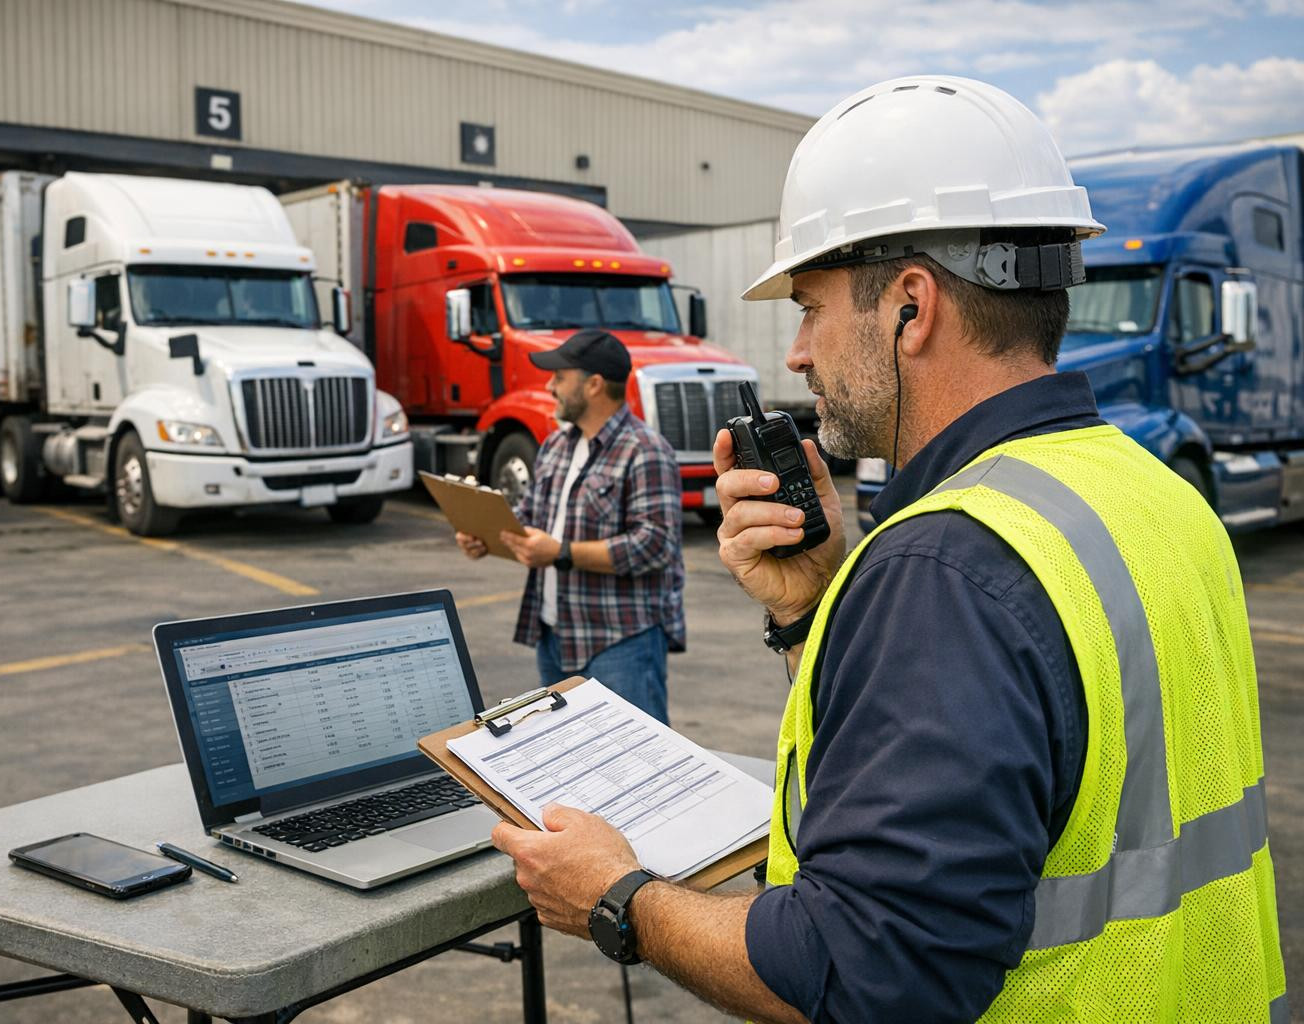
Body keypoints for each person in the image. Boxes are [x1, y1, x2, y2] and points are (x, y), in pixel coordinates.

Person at [489, 76, 1285, 1022]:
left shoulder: (945, 569)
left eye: (811, 306)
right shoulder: (1152, 490)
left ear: (912, 305)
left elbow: (867, 975)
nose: (796, 353)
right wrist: (808, 608)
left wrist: (618, 896)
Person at [454, 329, 685, 723]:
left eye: (560, 377)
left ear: (594, 384)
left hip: (620, 642)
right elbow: (529, 518)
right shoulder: (557, 446)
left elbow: (655, 545)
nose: (549, 386)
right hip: (555, 636)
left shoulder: (645, 450)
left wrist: (561, 553)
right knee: (571, 769)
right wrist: (488, 538)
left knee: (635, 766)